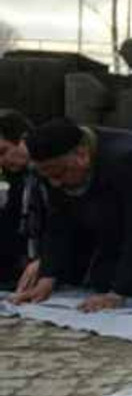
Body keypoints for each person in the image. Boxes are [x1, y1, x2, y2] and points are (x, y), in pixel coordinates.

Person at [11, 118, 132, 311]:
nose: (55, 184)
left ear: (82, 155)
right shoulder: (56, 165)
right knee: (102, 280)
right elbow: (59, 220)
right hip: (128, 217)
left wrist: (119, 294)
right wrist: (47, 278)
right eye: (48, 177)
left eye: (58, 175)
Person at [0, 110, 44, 288]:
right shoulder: (12, 177)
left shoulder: (50, 173)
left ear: (24, 139)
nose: (1, 161)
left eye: (3, 151)